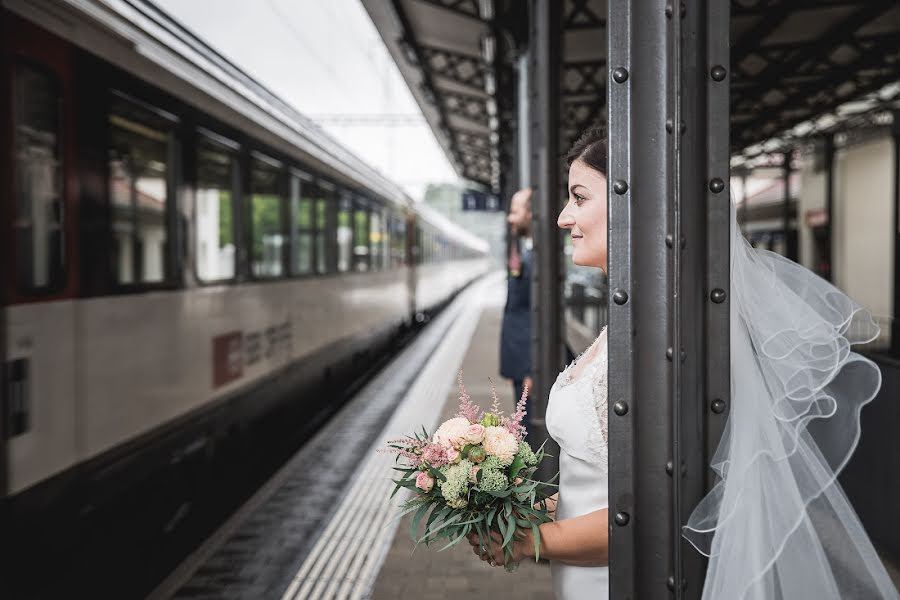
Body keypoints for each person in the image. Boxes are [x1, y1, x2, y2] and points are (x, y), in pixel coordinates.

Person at [470, 125, 899, 600]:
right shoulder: (630, 322)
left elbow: (655, 509)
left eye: (579, 197)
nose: (563, 218)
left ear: (634, 203)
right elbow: (595, 487)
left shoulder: (659, 338)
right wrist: (514, 516)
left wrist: (533, 542)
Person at [499, 188, 534, 431]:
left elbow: (536, 315)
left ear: (533, 214)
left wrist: (534, 369)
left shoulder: (538, 258)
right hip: (520, 364)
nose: (510, 218)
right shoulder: (527, 251)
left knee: (531, 433)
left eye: (515, 211)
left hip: (530, 366)